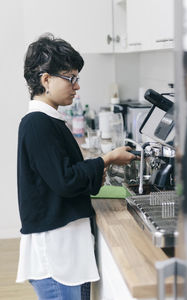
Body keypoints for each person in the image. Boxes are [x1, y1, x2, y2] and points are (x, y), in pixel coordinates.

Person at [16, 33, 136, 300]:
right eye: (71, 78)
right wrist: (105, 159)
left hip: (67, 252)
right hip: (58, 257)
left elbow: (64, 175)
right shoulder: (37, 123)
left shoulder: (49, 120)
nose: (77, 86)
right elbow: (66, 181)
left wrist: (100, 165)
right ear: (46, 80)